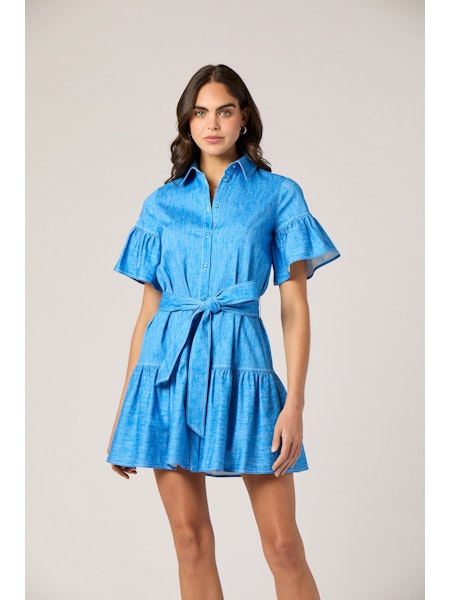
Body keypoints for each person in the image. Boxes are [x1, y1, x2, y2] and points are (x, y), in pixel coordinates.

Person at [106, 64, 340, 600]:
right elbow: (148, 313)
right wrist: (125, 411)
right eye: (200, 112)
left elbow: (294, 308)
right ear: (187, 122)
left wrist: (295, 404)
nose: (212, 124)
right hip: (166, 377)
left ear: (244, 118)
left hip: (245, 372)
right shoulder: (161, 204)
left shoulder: (279, 195)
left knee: (284, 546)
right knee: (190, 542)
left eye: (224, 111)